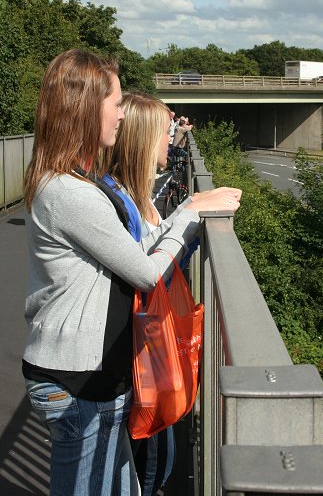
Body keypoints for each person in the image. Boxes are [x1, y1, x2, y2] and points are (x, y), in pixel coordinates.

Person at [22, 48, 241, 496]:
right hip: (78, 382)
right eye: (115, 103)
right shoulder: (69, 193)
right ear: (85, 109)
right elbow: (145, 272)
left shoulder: (71, 184)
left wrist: (186, 212)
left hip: (90, 377)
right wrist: (191, 215)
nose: (121, 116)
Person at [102, 92, 197, 495]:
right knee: (147, 464)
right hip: (131, 359)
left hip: (139, 357)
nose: (171, 140)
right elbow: (145, 270)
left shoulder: (133, 195)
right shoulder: (119, 200)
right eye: (165, 132)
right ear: (144, 140)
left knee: (149, 462)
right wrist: (190, 216)